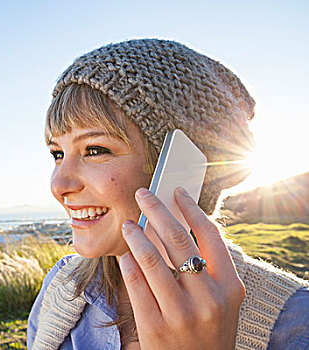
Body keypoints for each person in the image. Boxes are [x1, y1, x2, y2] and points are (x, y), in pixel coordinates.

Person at [27, 39, 309, 350]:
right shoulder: (60, 286)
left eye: (94, 150)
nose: (59, 185)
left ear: (181, 168)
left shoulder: (296, 320)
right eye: (57, 154)